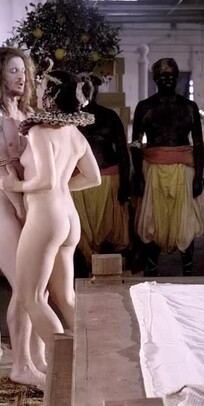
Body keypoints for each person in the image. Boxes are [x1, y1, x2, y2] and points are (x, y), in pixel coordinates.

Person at [0, 68, 100, 381]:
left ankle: (66, 373)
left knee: (32, 298)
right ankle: (97, 359)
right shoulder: (75, 134)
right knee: (65, 298)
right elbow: (93, 178)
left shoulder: (40, 132)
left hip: (46, 218)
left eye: (40, 88)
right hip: (68, 217)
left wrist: (15, 186)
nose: (36, 91)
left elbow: (46, 180)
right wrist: (63, 186)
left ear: (50, 96)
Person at [0, 47, 45, 387]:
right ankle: (21, 365)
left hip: (25, 200)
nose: (21, 77)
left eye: (23, 71)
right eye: (13, 70)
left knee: (37, 289)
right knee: (24, 287)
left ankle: (38, 358)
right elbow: (1, 166)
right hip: (0, 205)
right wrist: (22, 208)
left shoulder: (27, 111)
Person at [131, 58, 204, 277]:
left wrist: (198, 178)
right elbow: (136, 143)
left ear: (178, 78)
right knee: (152, 221)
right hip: (153, 170)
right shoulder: (145, 107)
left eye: (172, 76)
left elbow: (198, 144)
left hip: (184, 171)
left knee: (186, 221)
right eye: (163, 76)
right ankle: (151, 269)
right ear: (155, 79)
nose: (168, 80)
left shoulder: (189, 107)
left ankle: (188, 269)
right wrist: (139, 176)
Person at [71, 74, 131, 276]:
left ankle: (106, 274)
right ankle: (81, 275)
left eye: (90, 86)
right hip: (77, 183)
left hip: (108, 181)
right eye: (81, 86)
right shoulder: (69, 118)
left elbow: (123, 152)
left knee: (108, 231)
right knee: (79, 233)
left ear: (96, 89)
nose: (86, 90)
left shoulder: (109, 117)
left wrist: (125, 185)